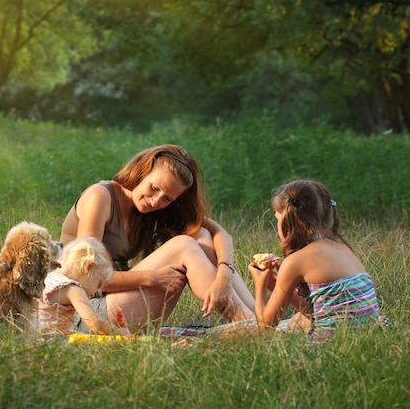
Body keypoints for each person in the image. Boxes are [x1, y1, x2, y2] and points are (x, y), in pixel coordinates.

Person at [61, 144, 255, 333]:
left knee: (201, 235)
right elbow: (86, 276)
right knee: (184, 245)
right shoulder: (100, 196)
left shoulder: (152, 209)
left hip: (118, 305)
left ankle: (258, 317)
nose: (156, 201)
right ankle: (252, 324)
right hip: (84, 313)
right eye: (154, 188)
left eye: (168, 199)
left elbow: (221, 235)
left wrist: (224, 275)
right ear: (141, 171)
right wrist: (153, 278)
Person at [248, 179, 380, 341]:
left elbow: (265, 327)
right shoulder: (343, 249)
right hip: (364, 341)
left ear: (292, 219)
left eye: (278, 219)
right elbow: (318, 312)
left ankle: (210, 335)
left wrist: (260, 285)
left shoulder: (295, 262)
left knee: (251, 330)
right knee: (298, 319)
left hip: (327, 348)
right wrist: (279, 285)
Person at [38, 237, 130, 337]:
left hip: (33, 339)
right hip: (51, 342)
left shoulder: (49, 277)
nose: (95, 292)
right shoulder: (73, 289)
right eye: (98, 284)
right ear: (88, 267)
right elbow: (97, 324)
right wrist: (121, 332)